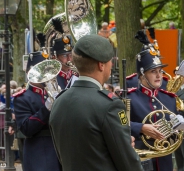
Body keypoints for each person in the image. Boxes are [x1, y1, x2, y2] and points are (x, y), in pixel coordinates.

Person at [50, 34, 143, 171]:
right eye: (110, 61)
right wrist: (123, 144)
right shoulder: (110, 104)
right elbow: (128, 162)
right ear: (101, 65)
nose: (111, 65)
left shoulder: (59, 101)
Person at [128, 45, 184, 171]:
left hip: (164, 163)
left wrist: (181, 130)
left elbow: (174, 133)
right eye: (153, 71)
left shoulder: (169, 99)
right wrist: (141, 128)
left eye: (160, 71)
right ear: (142, 74)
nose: (159, 75)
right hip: (139, 163)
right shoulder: (129, 98)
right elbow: (119, 124)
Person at [13, 51, 62, 171]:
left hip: (59, 149)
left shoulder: (55, 91)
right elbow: (26, 128)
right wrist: (47, 108)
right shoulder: (23, 98)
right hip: (39, 151)